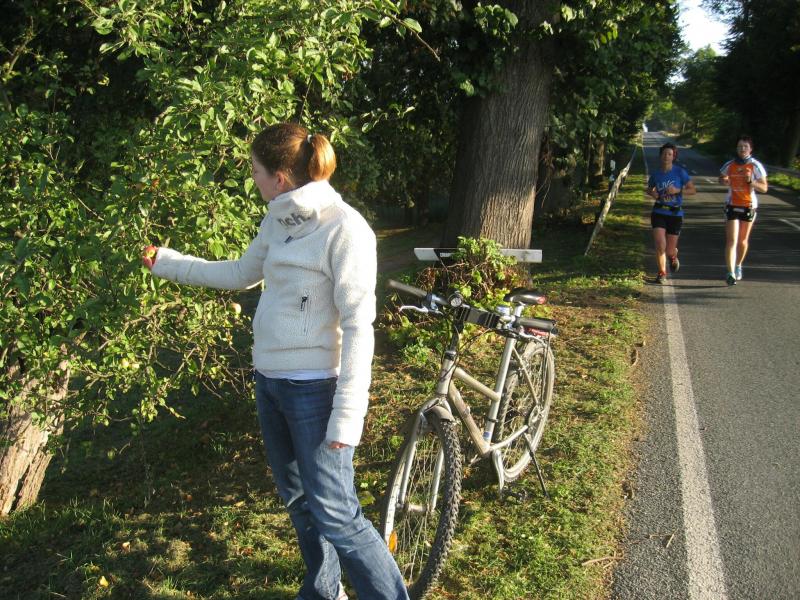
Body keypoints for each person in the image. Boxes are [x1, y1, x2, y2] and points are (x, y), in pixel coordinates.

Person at [142, 122, 409, 600]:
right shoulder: (278, 221)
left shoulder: (346, 229)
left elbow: (358, 326)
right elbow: (241, 273)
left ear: (279, 178)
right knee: (300, 501)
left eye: (255, 171)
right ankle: (325, 592)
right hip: (271, 382)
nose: (253, 179)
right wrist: (168, 262)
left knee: (337, 514)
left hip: (316, 392)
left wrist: (348, 416)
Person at [718, 135, 768, 286]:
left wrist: (752, 182)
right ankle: (730, 272)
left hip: (749, 205)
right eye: (740, 146)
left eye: (745, 146)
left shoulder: (755, 165)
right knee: (731, 240)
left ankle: (738, 265)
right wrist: (724, 180)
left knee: (742, 241)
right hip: (732, 204)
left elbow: (764, 188)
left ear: (750, 149)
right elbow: (721, 178)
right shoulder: (730, 164)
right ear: (736, 148)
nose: (742, 149)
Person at [646, 142, 697, 283]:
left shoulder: (680, 172)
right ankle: (662, 273)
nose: (666, 156)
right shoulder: (656, 174)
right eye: (664, 154)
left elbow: (693, 190)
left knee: (669, 250)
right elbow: (649, 189)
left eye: (670, 154)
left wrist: (677, 190)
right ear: (660, 156)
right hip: (659, 211)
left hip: (675, 214)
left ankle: (673, 256)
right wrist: (653, 193)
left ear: (674, 157)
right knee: (659, 244)